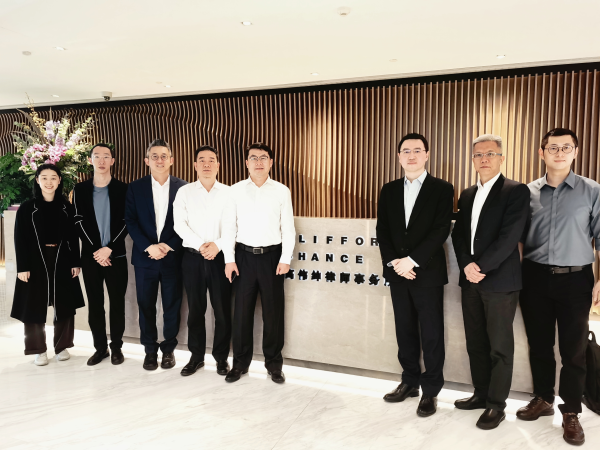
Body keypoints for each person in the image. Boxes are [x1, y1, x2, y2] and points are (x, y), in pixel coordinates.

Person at [517, 128, 600, 446]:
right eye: (553, 147)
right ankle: (543, 398)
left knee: (573, 350)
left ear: (575, 152)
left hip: (576, 279)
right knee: (538, 344)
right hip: (534, 278)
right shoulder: (527, 192)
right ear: (542, 153)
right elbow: (519, 238)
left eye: (567, 147)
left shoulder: (592, 191)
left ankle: (571, 411)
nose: (560, 152)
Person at [451, 134, 529, 430]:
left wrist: (480, 267)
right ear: (472, 160)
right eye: (478, 154)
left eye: (490, 154)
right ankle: (481, 394)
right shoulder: (467, 194)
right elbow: (459, 235)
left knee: (499, 346)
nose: (484, 159)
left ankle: (497, 405)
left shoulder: (515, 191)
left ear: (501, 158)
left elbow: (510, 237)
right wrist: (466, 265)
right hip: (470, 280)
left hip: (500, 281)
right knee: (475, 342)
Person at [376, 133, 454, 417]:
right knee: (404, 329)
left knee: (431, 333)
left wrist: (412, 261)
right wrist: (395, 263)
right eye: (406, 151)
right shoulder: (389, 190)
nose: (411, 155)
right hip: (398, 272)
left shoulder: (442, 188)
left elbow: (440, 229)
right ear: (399, 157)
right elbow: (383, 230)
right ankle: (409, 381)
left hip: (427, 272)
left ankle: (431, 391)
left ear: (427, 155)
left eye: (417, 150)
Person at [225, 142, 295, 383]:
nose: (258, 162)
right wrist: (229, 260)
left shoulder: (281, 191)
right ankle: (240, 364)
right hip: (243, 257)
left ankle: (274, 365)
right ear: (246, 163)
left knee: (273, 314)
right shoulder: (235, 191)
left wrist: (285, 258)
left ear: (271, 162)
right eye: (253, 158)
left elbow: (288, 228)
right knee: (241, 314)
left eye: (263, 157)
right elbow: (229, 228)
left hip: (272, 259)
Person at [11, 164, 84, 365]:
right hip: (34, 259)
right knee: (33, 304)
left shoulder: (67, 208)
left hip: (62, 258)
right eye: (44, 177)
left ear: (59, 180)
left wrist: (75, 262)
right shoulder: (27, 208)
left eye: (53, 177)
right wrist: (22, 267)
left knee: (64, 303)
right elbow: (20, 239)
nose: (49, 182)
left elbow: (73, 238)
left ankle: (62, 346)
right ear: (37, 180)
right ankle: (38, 349)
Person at [124, 139, 187, 371]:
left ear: (171, 160)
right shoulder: (135, 187)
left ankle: (168, 350)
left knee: (172, 305)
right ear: (147, 160)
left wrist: (168, 246)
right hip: (145, 258)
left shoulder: (184, 188)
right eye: (154, 156)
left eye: (164, 156)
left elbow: (187, 222)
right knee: (146, 305)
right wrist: (148, 246)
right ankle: (150, 351)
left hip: (173, 257)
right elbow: (130, 220)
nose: (159, 160)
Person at [173, 145, 235, 377]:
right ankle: (196, 357)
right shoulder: (185, 192)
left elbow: (234, 225)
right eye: (202, 160)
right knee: (195, 310)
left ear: (218, 165)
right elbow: (179, 224)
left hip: (220, 259)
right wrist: (201, 245)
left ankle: (221, 358)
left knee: (222, 311)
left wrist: (217, 245)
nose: (207, 164)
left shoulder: (230, 193)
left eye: (211, 160)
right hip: (192, 259)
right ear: (195, 165)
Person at [73, 143, 129, 366]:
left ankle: (116, 348)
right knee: (95, 304)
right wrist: (98, 250)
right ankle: (100, 348)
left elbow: (127, 222)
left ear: (112, 161)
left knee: (117, 304)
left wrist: (109, 248)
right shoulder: (80, 190)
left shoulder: (123, 189)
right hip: (91, 257)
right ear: (90, 160)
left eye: (107, 156)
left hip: (117, 256)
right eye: (97, 156)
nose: (102, 160)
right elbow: (78, 222)